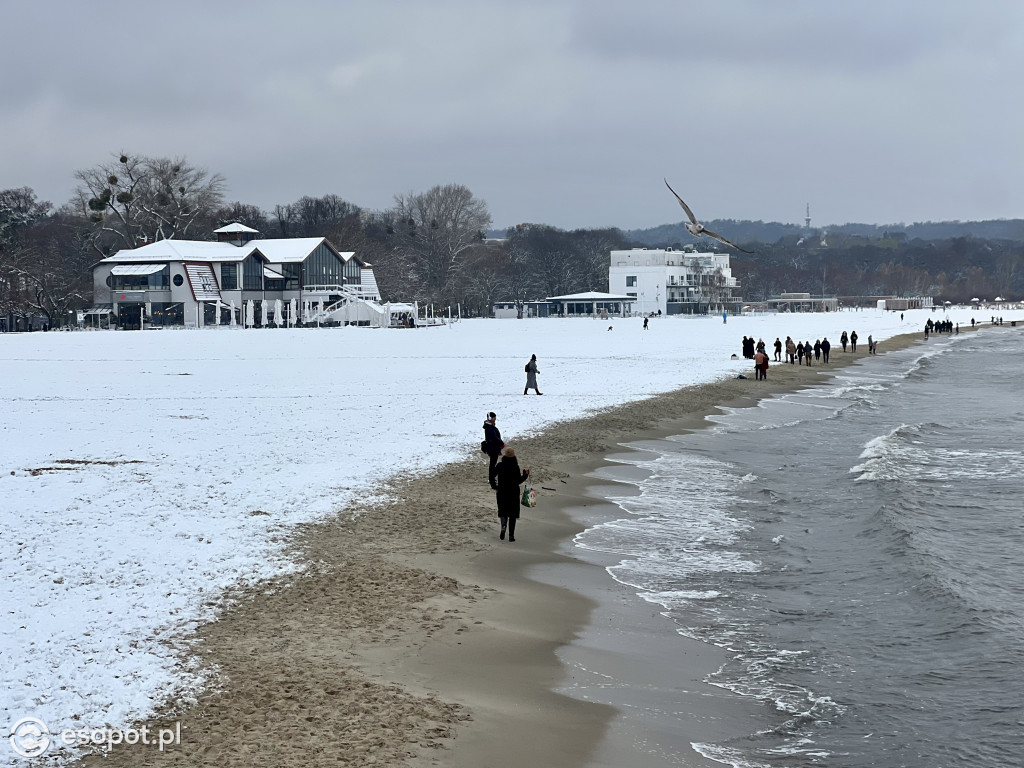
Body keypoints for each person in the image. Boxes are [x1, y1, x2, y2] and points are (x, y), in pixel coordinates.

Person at [489, 446, 530, 541]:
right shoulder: (515, 467)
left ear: (505, 455)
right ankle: (511, 536)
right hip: (513, 492)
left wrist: (495, 487)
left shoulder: (500, 465)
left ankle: (503, 527)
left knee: (503, 511)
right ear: (513, 456)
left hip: (501, 491)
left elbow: (491, 476)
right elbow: (518, 481)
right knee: (512, 514)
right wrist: (525, 475)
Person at [482, 412, 504, 478]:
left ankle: (491, 477)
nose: (495, 419)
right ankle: (491, 477)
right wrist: (501, 443)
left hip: (493, 448)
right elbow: (494, 438)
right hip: (492, 448)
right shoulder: (489, 428)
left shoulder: (490, 426)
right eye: (494, 417)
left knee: (493, 463)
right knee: (493, 464)